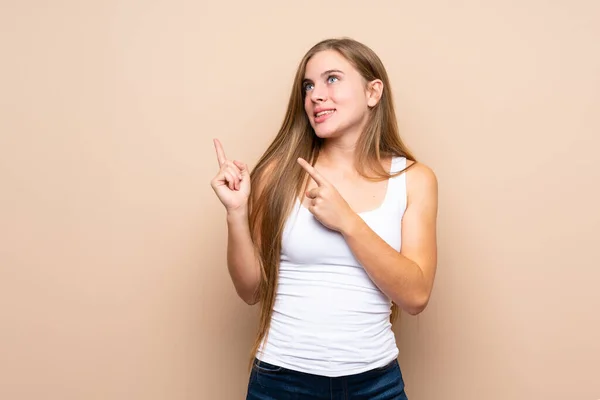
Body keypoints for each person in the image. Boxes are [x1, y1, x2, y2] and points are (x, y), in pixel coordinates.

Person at [210, 37, 438, 400]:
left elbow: (415, 296)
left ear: (373, 92)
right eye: (308, 85)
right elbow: (250, 290)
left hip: (375, 384)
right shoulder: (277, 173)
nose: (316, 94)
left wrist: (347, 220)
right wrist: (237, 213)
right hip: (280, 381)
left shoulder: (413, 179)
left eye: (332, 79)